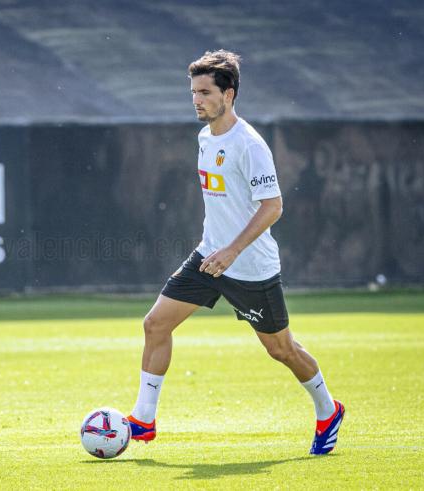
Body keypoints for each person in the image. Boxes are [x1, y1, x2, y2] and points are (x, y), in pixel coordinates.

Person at [127, 50, 344, 455]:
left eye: (205, 92)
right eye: (193, 92)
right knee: (155, 324)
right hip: (209, 257)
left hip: (251, 267)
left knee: (281, 349)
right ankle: (143, 420)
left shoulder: (250, 145)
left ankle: (328, 409)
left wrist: (232, 250)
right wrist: (218, 249)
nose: (196, 100)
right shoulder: (205, 137)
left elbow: (273, 206)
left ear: (229, 94)